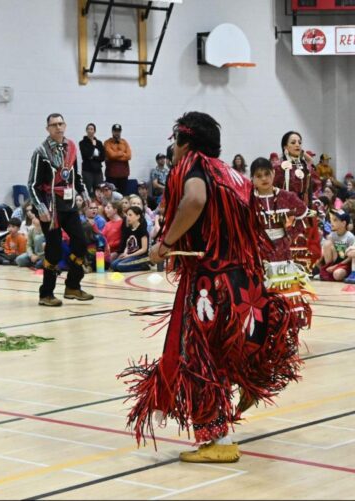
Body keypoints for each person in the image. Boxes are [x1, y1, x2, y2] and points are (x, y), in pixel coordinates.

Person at [120, 112, 303, 463]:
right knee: (226, 347)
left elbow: (194, 200)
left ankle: (215, 437)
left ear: (185, 142)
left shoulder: (193, 165)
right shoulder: (231, 174)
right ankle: (253, 378)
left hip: (208, 279)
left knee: (196, 353)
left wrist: (166, 241)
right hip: (241, 278)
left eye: (175, 142)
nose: (173, 150)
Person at [26, 113, 94, 306]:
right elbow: (32, 184)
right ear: (47, 128)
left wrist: (86, 195)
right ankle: (46, 293)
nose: (58, 127)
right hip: (50, 207)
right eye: (54, 124)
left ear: (65, 125)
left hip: (69, 205)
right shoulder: (41, 152)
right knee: (54, 250)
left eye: (61, 123)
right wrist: (40, 207)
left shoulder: (71, 148)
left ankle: (73, 286)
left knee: (81, 242)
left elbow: (77, 176)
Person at [250, 157, 312, 328]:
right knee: (261, 291)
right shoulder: (247, 200)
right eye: (258, 175)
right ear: (252, 179)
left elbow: (303, 217)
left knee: (285, 291)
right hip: (258, 253)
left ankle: (287, 328)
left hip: (282, 253)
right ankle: (263, 328)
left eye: (267, 174)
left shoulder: (287, 196)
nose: (264, 179)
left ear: (273, 174)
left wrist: (289, 236)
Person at [273, 131, 322, 269]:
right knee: (285, 246)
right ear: (285, 146)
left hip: (303, 213)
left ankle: (303, 274)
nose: (297, 145)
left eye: (299, 142)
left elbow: (315, 186)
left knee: (304, 247)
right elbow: (272, 189)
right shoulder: (277, 167)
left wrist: (311, 207)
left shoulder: (306, 167)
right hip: (284, 214)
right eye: (293, 142)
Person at [111, 206, 150, 272]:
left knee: (120, 266)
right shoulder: (129, 229)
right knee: (113, 265)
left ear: (138, 216)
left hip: (140, 257)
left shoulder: (142, 230)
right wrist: (125, 253)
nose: (127, 217)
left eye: (130, 215)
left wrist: (129, 255)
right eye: (127, 215)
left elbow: (144, 249)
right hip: (130, 255)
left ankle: (143, 265)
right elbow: (128, 245)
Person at [79, 123, 105, 195]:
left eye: (92, 129)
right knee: (87, 190)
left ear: (94, 131)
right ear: (86, 131)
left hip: (98, 170)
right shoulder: (82, 143)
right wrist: (93, 145)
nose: (90, 131)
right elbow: (86, 155)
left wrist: (93, 157)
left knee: (99, 190)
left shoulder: (99, 143)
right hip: (87, 170)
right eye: (88, 129)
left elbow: (102, 157)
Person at [103, 123, 131, 190]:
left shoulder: (124, 142)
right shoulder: (107, 142)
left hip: (123, 175)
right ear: (112, 131)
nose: (117, 133)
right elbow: (111, 155)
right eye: (115, 131)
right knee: (111, 196)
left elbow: (129, 156)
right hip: (111, 175)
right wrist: (122, 153)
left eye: (118, 131)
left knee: (122, 196)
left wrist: (116, 155)